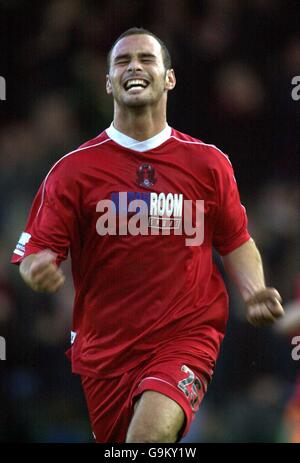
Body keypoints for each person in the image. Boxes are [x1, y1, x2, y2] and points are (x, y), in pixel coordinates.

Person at [11, 27, 285, 443]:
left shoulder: (207, 164)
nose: (134, 66)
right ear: (108, 83)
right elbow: (35, 252)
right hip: (105, 351)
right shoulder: (73, 170)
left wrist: (254, 291)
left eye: (146, 59)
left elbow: (235, 241)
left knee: (146, 439)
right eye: (122, 61)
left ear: (169, 78)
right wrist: (39, 270)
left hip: (186, 337)